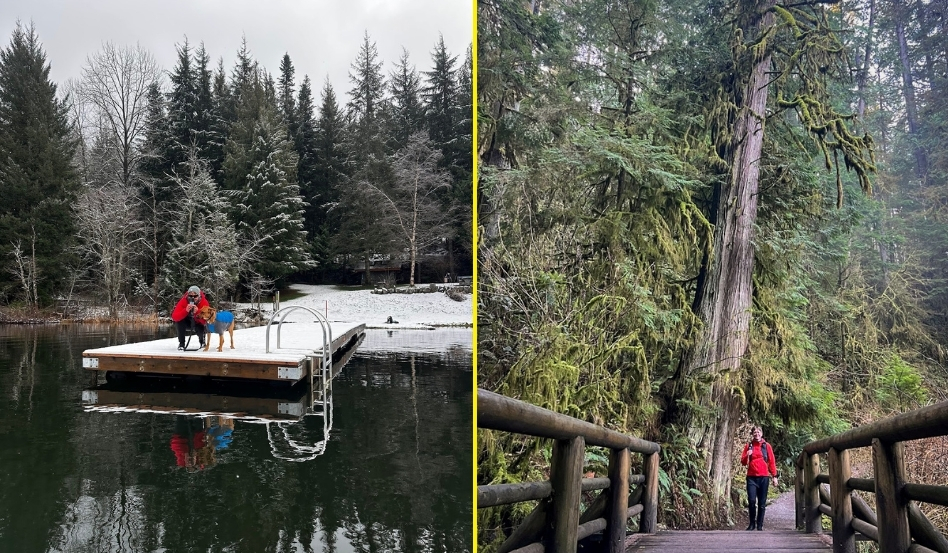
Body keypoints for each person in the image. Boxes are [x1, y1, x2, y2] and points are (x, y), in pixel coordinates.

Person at [741, 425, 778, 531]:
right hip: (751, 477)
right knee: (751, 501)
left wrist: (774, 476)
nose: (756, 434)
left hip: (764, 477)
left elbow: (771, 462)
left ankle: (760, 525)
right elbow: (743, 462)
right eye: (754, 432)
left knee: (762, 503)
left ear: (761, 434)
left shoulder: (767, 446)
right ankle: (752, 524)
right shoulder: (749, 446)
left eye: (758, 432)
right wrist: (747, 455)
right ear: (752, 434)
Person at [171, 285, 210, 350]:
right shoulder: (183, 301)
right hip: (187, 322)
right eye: (190, 296)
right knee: (179, 322)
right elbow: (174, 317)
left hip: (198, 323)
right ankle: (181, 344)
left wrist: (198, 312)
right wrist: (185, 311)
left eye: (195, 296)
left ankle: (202, 342)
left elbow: (207, 320)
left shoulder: (204, 302)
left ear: (199, 296)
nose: (193, 298)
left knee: (202, 326)